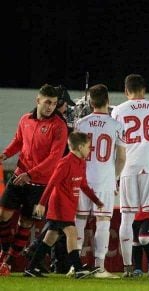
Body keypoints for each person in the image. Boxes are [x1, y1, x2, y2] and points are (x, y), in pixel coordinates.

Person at [0, 84, 68, 275]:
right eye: (47, 102)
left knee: (26, 223)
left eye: (54, 104)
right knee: (2, 215)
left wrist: (30, 174)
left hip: (39, 183)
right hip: (19, 176)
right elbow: (18, 141)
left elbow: (54, 159)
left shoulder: (59, 126)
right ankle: (5, 252)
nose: (50, 107)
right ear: (38, 100)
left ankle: (8, 262)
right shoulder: (25, 120)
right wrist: (5, 155)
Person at [24, 132, 104, 278]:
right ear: (80, 147)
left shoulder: (81, 162)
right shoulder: (65, 162)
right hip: (60, 205)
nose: (90, 149)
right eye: (88, 146)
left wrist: (96, 201)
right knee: (72, 233)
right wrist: (42, 204)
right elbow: (52, 183)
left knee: (50, 237)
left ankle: (31, 268)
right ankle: (78, 269)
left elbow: (83, 185)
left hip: (69, 205)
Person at [110, 74, 149, 278]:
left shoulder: (118, 110)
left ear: (126, 91)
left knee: (127, 217)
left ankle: (127, 268)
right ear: (144, 89)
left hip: (128, 167)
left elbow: (117, 145)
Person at [73, 84, 126, 279]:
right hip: (104, 179)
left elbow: (74, 155)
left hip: (83, 178)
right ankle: (99, 267)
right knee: (103, 221)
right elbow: (121, 157)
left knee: (79, 220)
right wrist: (115, 178)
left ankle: (75, 265)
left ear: (90, 102)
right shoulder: (117, 125)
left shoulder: (80, 123)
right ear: (108, 101)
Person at [131, 211, 149, 277]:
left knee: (144, 239)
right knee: (136, 243)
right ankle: (137, 268)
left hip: (148, 215)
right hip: (134, 215)